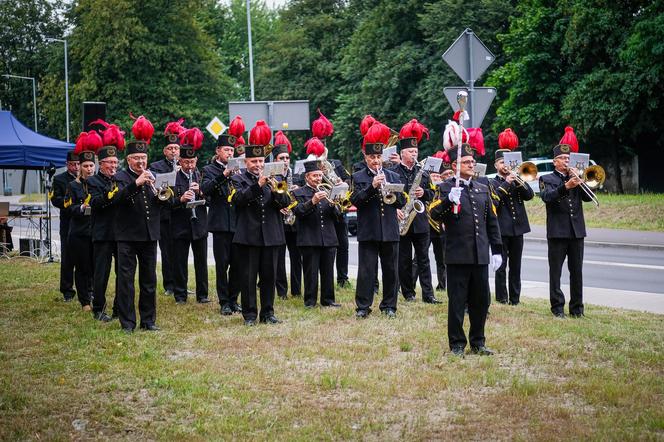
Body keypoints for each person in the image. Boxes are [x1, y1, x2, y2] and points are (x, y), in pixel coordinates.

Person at [429, 143, 502, 356]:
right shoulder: (445, 187)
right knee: (458, 302)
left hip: (480, 254)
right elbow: (433, 214)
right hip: (457, 255)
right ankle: (457, 344)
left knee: (481, 301)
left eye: (473, 161)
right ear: (455, 165)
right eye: (467, 161)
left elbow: (492, 220)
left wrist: (497, 249)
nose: (472, 164)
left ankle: (478, 342)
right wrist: (448, 200)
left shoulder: (482, 186)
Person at [231, 121, 292, 326]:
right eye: (253, 161)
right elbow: (239, 201)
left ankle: (268, 313)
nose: (257, 165)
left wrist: (275, 189)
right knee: (248, 278)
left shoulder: (277, 178)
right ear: (246, 162)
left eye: (260, 161)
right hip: (249, 235)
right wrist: (258, 185)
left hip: (272, 235)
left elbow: (286, 201)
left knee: (269, 276)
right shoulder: (238, 179)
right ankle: (249, 315)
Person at [113, 116, 163, 332]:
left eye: (143, 157)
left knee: (149, 280)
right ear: (129, 159)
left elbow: (164, 201)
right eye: (136, 158)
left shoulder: (154, 176)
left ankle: (149, 320)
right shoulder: (120, 177)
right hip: (127, 236)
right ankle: (127, 322)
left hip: (150, 235)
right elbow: (117, 199)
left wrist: (164, 194)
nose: (141, 162)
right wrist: (136, 183)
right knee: (126, 281)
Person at [350, 136, 405, 319]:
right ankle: (363, 307)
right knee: (366, 271)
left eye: (378, 157)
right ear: (365, 157)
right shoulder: (358, 177)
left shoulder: (393, 176)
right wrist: (373, 187)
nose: (375, 161)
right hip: (369, 230)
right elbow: (356, 200)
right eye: (372, 157)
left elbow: (402, 202)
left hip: (389, 230)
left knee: (391, 270)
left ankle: (389, 306)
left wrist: (393, 191)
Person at [539, 131, 591, 318]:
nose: (566, 161)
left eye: (568, 158)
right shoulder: (546, 179)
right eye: (562, 158)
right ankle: (557, 308)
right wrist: (566, 186)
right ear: (555, 161)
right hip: (557, 232)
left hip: (577, 231)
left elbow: (587, 198)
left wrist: (581, 182)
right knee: (556, 272)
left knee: (577, 272)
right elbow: (547, 197)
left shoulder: (576, 179)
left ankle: (577, 309)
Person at [391, 120, 440, 304]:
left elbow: (433, 192)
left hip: (419, 220)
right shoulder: (393, 172)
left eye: (416, 151)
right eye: (411, 151)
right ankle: (408, 292)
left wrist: (424, 193)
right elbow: (390, 194)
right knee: (403, 260)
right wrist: (396, 209)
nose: (414, 154)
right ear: (402, 153)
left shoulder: (424, 173)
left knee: (423, 259)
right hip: (403, 219)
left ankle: (428, 295)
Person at [201, 133, 241, 315]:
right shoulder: (209, 170)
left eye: (232, 150)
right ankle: (224, 301)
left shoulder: (239, 169)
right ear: (218, 151)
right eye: (227, 150)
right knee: (222, 264)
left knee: (238, 264)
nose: (230, 153)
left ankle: (234, 299)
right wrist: (224, 175)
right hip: (220, 225)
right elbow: (206, 190)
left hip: (238, 223)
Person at [292, 160, 342, 308]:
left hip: (329, 238)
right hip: (309, 239)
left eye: (320, 175)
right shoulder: (298, 193)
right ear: (307, 177)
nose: (318, 179)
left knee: (328, 272)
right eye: (315, 176)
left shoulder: (329, 191)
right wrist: (312, 201)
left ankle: (328, 300)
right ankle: (310, 302)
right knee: (311, 273)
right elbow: (298, 212)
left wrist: (335, 206)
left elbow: (338, 216)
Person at [491, 139, 534, 305]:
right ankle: (502, 298)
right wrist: (507, 182)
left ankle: (515, 299)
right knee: (501, 266)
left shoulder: (517, 179)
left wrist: (517, 180)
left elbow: (529, 195)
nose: (505, 165)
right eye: (502, 162)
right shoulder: (492, 183)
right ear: (496, 165)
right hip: (501, 230)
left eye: (507, 162)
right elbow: (494, 201)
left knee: (516, 266)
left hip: (518, 229)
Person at [87, 127, 123, 322]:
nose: (113, 166)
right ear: (101, 164)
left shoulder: (121, 179)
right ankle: (99, 308)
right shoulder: (93, 181)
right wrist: (110, 196)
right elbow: (96, 203)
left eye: (115, 162)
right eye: (109, 162)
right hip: (102, 233)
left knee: (122, 273)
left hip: (121, 233)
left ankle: (120, 306)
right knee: (101, 273)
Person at [170, 128, 209, 305]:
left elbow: (210, 200)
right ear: (180, 161)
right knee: (179, 262)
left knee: (201, 261)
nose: (190, 166)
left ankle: (203, 294)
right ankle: (180, 295)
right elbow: (166, 202)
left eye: (192, 162)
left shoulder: (201, 176)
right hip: (180, 225)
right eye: (186, 162)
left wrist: (200, 192)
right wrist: (180, 199)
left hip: (199, 225)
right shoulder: (173, 178)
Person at [149, 121, 183, 296]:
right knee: (167, 250)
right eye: (170, 148)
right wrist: (174, 174)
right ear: (165, 151)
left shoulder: (185, 165)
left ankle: (180, 283)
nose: (174, 151)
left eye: (176, 148)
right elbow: (157, 184)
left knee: (179, 251)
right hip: (164, 215)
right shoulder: (156, 166)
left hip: (180, 213)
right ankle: (169, 284)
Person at [66, 142, 98, 312]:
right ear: (80, 167)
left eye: (91, 165)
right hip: (79, 233)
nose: (89, 169)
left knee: (94, 266)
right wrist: (80, 208)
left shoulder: (98, 184)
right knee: (82, 267)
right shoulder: (73, 186)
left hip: (95, 231)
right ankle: (84, 300)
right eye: (85, 165)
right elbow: (68, 207)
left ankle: (92, 293)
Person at [273, 134, 303, 299]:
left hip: (295, 220)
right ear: (276, 160)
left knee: (296, 257)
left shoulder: (296, 175)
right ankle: (282, 292)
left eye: (287, 157)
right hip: (279, 221)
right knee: (279, 258)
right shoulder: (274, 177)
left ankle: (297, 290)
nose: (285, 160)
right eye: (281, 158)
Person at [50, 151, 79, 302]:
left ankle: (88, 288)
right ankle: (67, 290)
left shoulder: (86, 179)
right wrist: (70, 205)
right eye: (73, 164)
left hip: (84, 223)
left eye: (78, 164)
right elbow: (55, 199)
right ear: (67, 164)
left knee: (85, 258)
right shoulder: (60, 179)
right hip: (68, 223)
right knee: (67, 258)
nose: (76, 167)